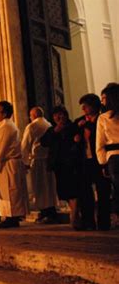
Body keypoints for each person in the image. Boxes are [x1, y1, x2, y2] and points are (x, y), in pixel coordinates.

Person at [0, 101, 29, 228]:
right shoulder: (7, 126)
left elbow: (1, 148)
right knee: (7, 191)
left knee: (11, 191)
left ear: (4, 113)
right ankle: (10, 216)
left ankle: (12, 217)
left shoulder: (6, 127)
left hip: (9, 163)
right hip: (7, 163)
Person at [41, 105, 82, 229]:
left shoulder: (73, 126)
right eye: (55, 115)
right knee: (64, 191)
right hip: (59, 165)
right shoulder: (52, 130)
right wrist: (54, 132)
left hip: (72, 163)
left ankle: (74, 215)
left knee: (73, 189)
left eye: (61, 114)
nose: (59, 117)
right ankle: (75, 214)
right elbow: (43, 142)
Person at [75, 93, 111, 230]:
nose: (83, 109)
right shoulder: (79, 122)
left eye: (86, 106)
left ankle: (104, 222)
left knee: (103, 192)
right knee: (85, 192)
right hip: (85, 161)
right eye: (82, 106)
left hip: (99, 160)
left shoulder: (103, 120)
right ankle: (88, 222)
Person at [21, 106, 58, 223]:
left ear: (33, 116)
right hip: (49, 159)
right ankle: (51, 210)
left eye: (30, 116)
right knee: (49, 187)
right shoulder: (49, 125)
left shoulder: (32, 126)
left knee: (40, 187)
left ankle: (45, 211)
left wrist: (24, 162)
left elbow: (25, 145)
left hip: (37, 160)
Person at [96, 83, 119, 229]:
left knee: (117, 188)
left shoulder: (103, 118)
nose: (102, 101)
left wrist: (102, 163)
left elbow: (100, 143)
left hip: (114, 157)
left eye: (104, 98)